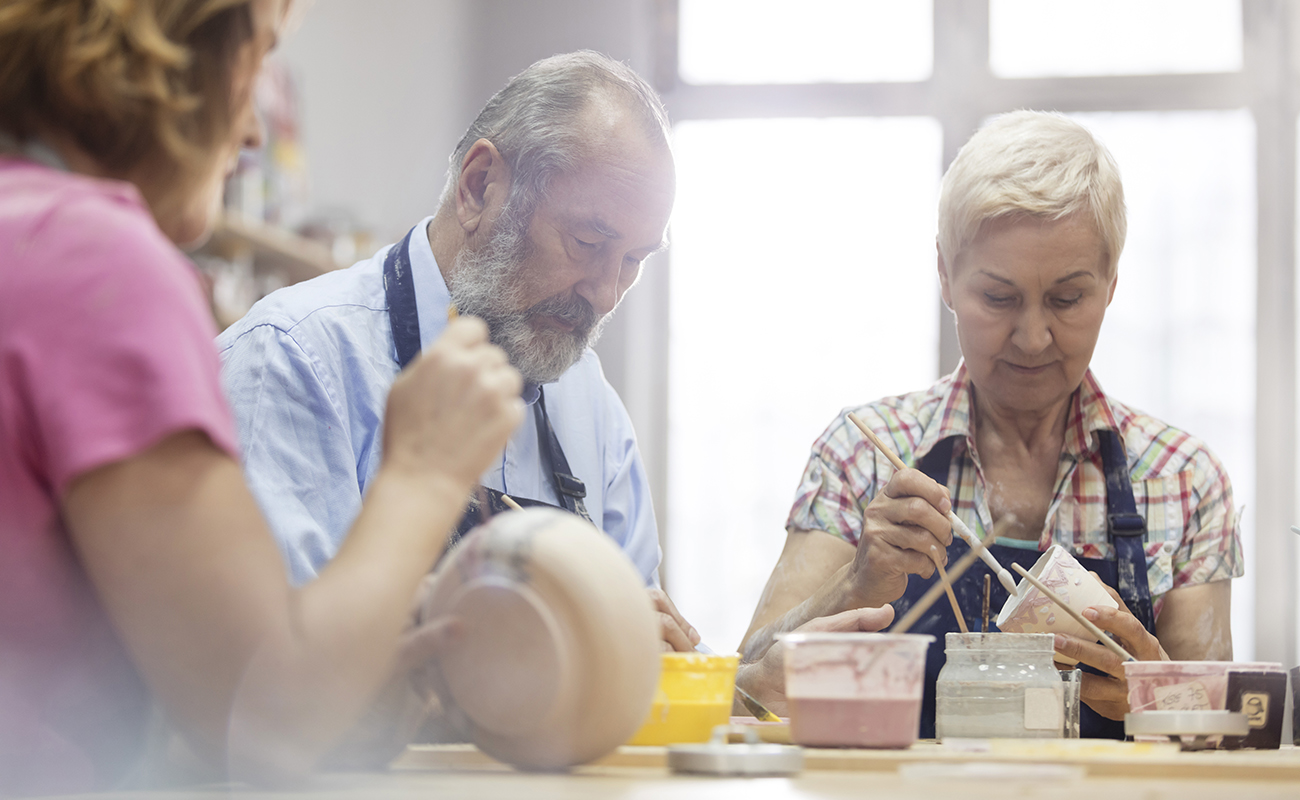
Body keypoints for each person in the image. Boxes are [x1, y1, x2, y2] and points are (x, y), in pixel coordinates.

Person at [0, 0, 523, 793]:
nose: (251, 134)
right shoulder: (93, 261)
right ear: (177, 56)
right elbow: (263, 728)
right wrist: (422, 472)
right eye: (258, 64)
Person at [736, 111, 1241, 737]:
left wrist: (1154, 695)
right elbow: (744, 693)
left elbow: (1223, 735)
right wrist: (854, 585)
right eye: (998, 298)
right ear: (945, 274)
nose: (1033, 338)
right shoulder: (864, 455)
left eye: (1067, 298)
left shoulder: (1182, 479)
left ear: (1112, 282)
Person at [217, 51, 699, 650]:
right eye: (587, 241)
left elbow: (641, 663)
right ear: (479, 186)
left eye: (633, 261)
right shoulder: (293, 360)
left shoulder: (590, 405)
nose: (605, 293)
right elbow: (265, 697)